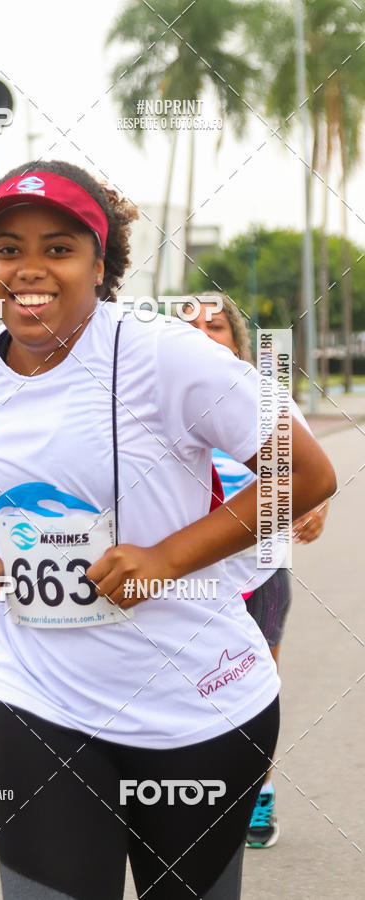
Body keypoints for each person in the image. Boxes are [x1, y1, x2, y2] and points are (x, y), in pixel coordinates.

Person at [0, 161, 336, 899]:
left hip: (198, 703)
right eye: (7, 248)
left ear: (101, 262)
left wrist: (167, 557)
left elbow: (306, 474)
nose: (29, 269)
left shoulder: (163, 353)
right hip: (39, 697)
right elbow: (15, 514)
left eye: (58, 248)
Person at [185, 293, 329, 849]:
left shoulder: (267, 399)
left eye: (216, 327)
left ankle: (256, 795)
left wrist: (316, 509)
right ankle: (189, 793)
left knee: (255, 687)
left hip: (260, 571)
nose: (204, 336)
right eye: (191, 327)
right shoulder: (155, 405)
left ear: (237, 342)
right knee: (191, 690)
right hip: (186, 581)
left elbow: (309, 473)